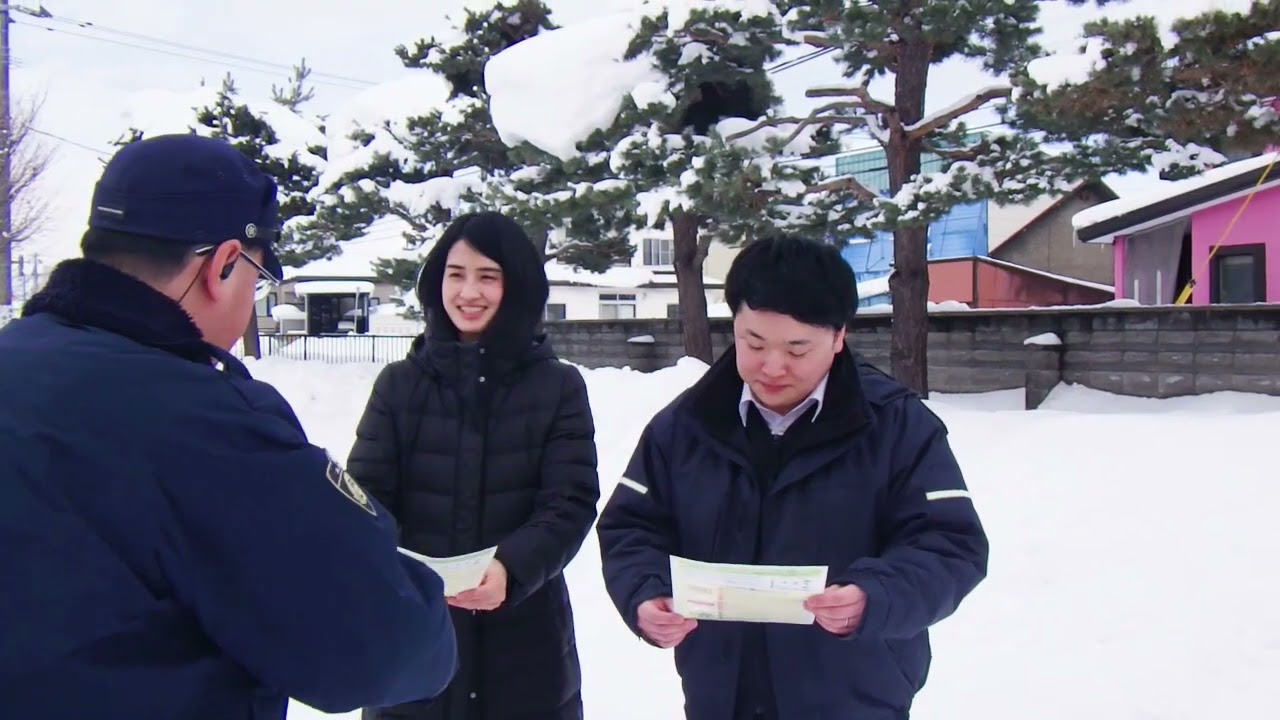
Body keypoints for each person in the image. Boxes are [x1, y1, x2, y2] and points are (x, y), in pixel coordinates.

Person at [0, 134, 458, 719]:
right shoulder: (205, 425)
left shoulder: (15, 364)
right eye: (258, 279)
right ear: (223, 264)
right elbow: (379, 647)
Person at [596, 235, 990, 720]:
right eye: (753, 343)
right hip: (722, 695)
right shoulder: (685, 426)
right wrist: (645, 591)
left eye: (798, 348)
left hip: (852, 695)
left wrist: (874, 595)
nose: (772, 366)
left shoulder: (897, 427)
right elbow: (632, 527)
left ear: (839, 336)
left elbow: (949, 544)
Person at [347, 211, 601, 720]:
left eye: (488, 276)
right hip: (416, 636)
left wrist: (512, 567)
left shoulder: (558, 388)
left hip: (526, 645)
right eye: (456, 274)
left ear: (518, 286)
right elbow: (367, 495)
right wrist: (394, 575)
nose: (469, 292)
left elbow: (569, 503)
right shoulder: (400, 386)